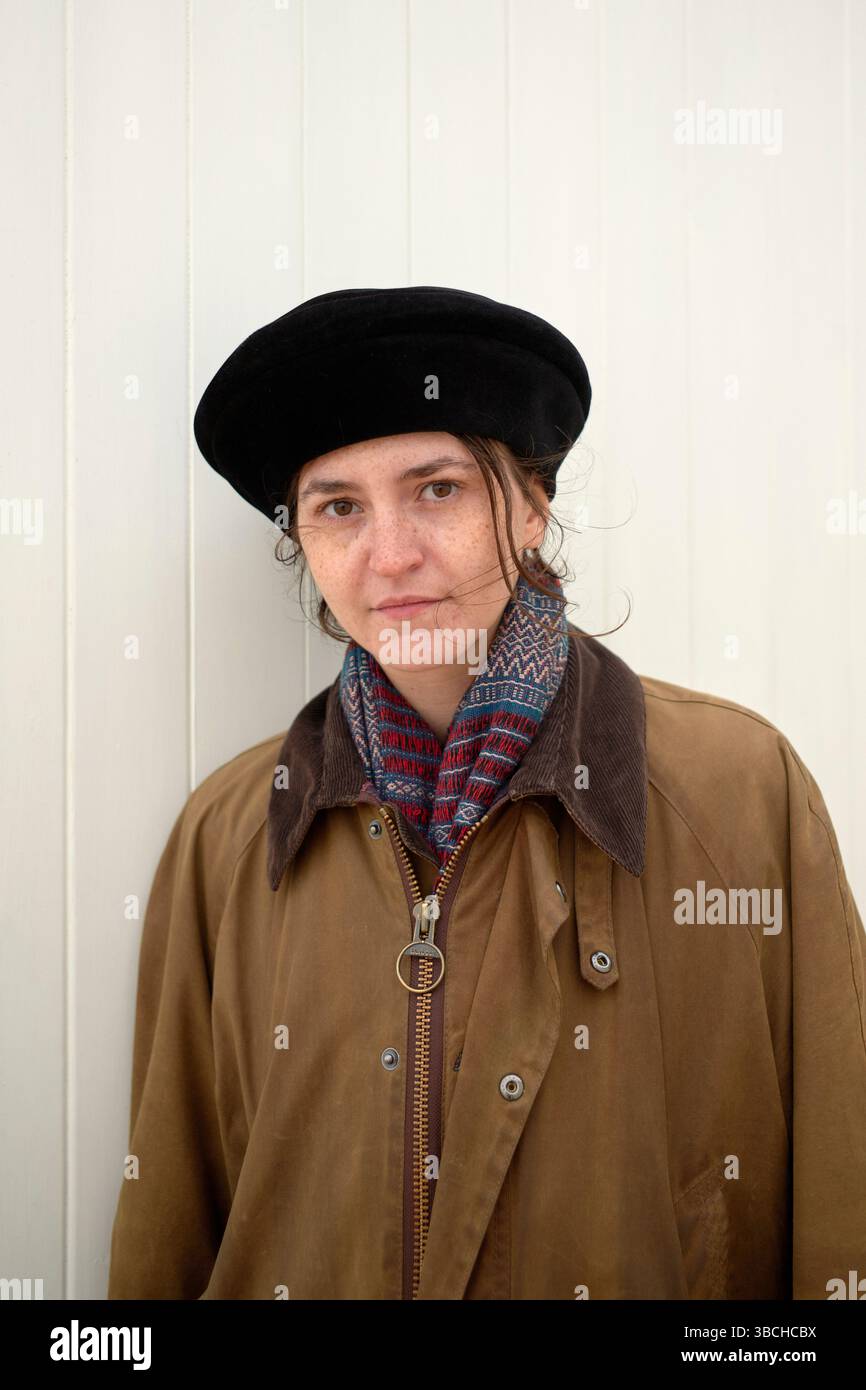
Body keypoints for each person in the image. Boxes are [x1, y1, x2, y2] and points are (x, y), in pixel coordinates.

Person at [107, 286, 866, 1301]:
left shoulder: (738, 791)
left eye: (436, 489)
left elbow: (837, 1181)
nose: (388, 555)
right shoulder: (228, 832)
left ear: (529, 503)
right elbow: (170, 1217)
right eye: (338, 507)